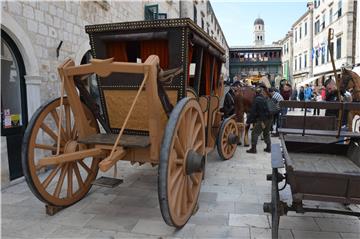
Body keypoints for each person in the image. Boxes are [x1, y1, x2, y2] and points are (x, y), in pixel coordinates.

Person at [246, 85, 272, 154]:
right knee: (266, 133)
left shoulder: (256, 100)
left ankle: (253, 149)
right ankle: (268, 148)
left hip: (262, 120)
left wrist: (248, 121)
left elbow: (253, 112)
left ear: (255, 93)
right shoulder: (264, 98)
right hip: (269, 118)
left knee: (254, 133)